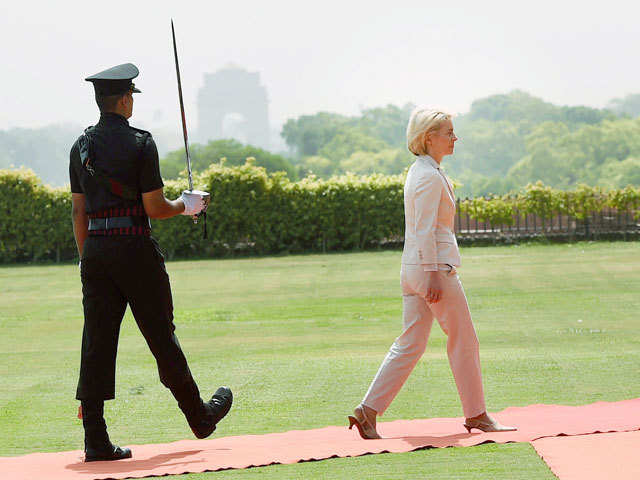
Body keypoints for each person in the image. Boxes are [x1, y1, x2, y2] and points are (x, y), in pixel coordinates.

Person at [69, 63, 232, 462]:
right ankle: (199, 417)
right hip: (135, 251)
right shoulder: (141, 143)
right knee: (161, 336)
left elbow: (78, 212)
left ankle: (95, 440)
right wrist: (188, 204)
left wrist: (87, 258)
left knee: (97, 343)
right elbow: (155, 208)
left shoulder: (81, 146)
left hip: (97, 252)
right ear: (124, 100)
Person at [348, 108, 515, 439]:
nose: (455, 138)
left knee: (411, 342)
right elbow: (423, 230)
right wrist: (433, 275)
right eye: (448, 132)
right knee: (464, 339)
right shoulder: (426, 175)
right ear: (428, 137)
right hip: (432, 268)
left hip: (417, 269)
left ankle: (368, 412)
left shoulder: (423, 171)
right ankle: (477, 414)